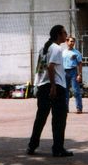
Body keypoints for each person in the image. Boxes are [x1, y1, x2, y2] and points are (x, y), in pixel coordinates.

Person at [27, 24, 72, 157]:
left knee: (40, 118)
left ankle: (32, 146)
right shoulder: (57, 49)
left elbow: (40, 68)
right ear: (58, 34)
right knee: (59, 119)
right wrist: (53, 86)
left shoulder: (43, 48)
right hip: (55, 86)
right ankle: (58, 148)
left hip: (42, 85)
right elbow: (51, 67)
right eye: (64, 33)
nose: (66, 35)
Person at [62, 36, 84, 114]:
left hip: (73, 71)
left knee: (76, 91)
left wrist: (79, 74)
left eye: (73, 41)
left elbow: (80, 64)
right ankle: (65, 108)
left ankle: (79, 108)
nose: (72, 43)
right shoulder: (63, 52)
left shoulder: (76, 52)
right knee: (65, 91)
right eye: (70, 41)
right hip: (64, 72)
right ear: (67, 42)